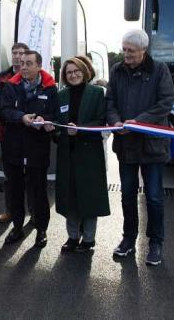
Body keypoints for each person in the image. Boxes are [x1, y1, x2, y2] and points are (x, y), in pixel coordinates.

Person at [105, 29, 174, 266]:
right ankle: (128, 239)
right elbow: (110, 101)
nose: (126, 54)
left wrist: (139, 122)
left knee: (154, 197)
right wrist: (116, 121)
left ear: (143, 51)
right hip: (126, 146)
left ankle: (155, 243)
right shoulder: (116, 71)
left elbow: (166, 102)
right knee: (126, 196)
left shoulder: (160, 70)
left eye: (130, 51)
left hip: (152, 146)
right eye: (124, 49)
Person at [0, 50, 58, 248]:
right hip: (13, 148)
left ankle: (41, 230)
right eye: (22, 63)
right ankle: (16, 227)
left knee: (39, 192)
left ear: (39, 66)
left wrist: (45, 120)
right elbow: (4, 111)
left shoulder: (50, 89)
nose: (23, 66)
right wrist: (20, 117)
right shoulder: (10, 86)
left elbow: (55, 114)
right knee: (15, 191)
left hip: (37, 149)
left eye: (28, 63)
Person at [55, 57, 110, 253]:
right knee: (70, 199)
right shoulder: (60, 95)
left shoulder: (97, 93)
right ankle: (72, 237)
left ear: (84, 71)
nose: (73, 75)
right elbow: (55, 124)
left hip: (89, 155)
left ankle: (88, 239)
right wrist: (51, 129)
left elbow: (102, 121)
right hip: (67, 155)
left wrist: (80, 129)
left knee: (89, 198)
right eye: (69, 72)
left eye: (76, 70)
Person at [0, 42, 35, 225]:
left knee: (32, 178)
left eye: (21, 53)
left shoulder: (36, 76)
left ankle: (34, 214)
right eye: (14, 53)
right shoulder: (2, 78)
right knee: (10, 178)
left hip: (31, 136)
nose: (17, 57)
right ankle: (10, 212)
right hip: (7, 135)